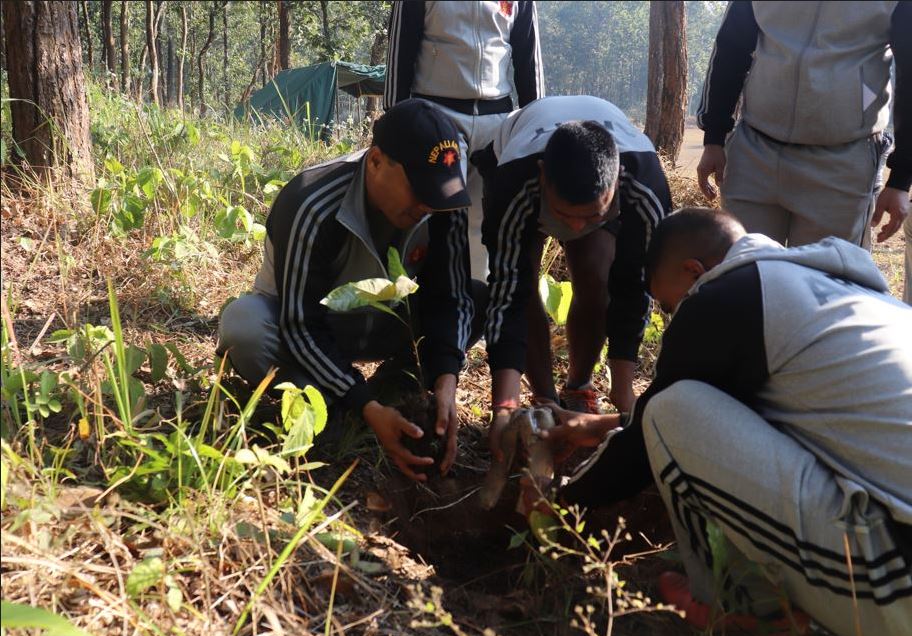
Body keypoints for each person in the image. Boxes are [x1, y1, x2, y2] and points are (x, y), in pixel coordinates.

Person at [545, 208, 912, 636]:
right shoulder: (835, 290)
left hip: (898, 587)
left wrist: (555, 506)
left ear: (694, 273)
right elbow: (757, 413)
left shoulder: (722, 298)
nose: (674, 315)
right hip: (896, 551)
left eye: (669, 305)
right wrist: (609, 425)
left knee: (668, 411)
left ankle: (745, 613)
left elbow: (648, 438)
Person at [218, 99, 480, 482]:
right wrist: (364, 405)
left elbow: (452, 297)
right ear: (375, 161)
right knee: (245, 327)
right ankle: (328, 402)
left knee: (480, 299)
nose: (428, 205)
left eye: (439, 193)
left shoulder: (439, 205)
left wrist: (445, 381)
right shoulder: (312, 202)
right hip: (312, 331)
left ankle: (397, 389)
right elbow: (300, 325)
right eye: (419, 189)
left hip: (390, 325)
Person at [473, 95, 670, 460]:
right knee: (524, 285)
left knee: (597, 275)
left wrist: (624, 396)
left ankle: (579, 389)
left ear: (616, 184)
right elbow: (507, 295)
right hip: (515, 155)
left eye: (591, 217)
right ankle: (545, 400)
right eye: (565, 215)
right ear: (544, 175)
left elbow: (633, 286)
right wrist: (503, 407)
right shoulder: (515, 182)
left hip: (599, 178)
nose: (574, 228)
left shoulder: (645, 187)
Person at [696, 1, 911, 248]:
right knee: (744, 275)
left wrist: (901, 179)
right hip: (754, 154)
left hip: (843, 165)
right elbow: (731, 48)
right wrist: (714, 137)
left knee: (825, 282)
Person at [385, 0, 545, 281]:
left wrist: (539, 127)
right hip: (437, 116)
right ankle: (417, 302)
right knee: (432, 215)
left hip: (497, 119)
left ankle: (475, 305)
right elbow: (401, 47)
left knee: (484, 221)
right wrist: (396, 121)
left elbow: (527, 56)